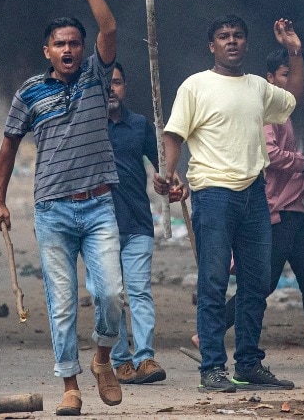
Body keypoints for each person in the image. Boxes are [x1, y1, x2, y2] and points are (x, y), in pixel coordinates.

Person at [0, 0, 124, 416]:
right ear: (46, 50)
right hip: (51, 210)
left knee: (111, 293)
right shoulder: (28, 93)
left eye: (74, 43)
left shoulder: (95, 75)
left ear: (83, 49)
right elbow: (8, 146)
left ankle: (103, 359)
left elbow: (108, 26)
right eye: (60, 44)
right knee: (62, 303)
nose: (68, 49)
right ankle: (70, 385)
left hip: (98, 204)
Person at [154, 15, 303, 394]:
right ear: (212, 46)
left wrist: (294, 51)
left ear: (246, 44)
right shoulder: (196, 85)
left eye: (238, 35)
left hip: (255, 194)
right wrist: (169, 174)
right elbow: (174, 134)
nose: (231, 42)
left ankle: (249, 364)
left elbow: (293, 99)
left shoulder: (257, 87)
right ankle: (213, 369)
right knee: (214, 283)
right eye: (223, 36)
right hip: (213, 195)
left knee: (256, 284)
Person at [209, 49, 304, 370]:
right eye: (284, 75)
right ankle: (207, 334)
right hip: (276, 211)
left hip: (292, 209)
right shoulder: (268, 113)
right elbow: (268, 153)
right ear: (269, 79)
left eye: (290, 76)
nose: (289, 82)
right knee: (264, 284)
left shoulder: (283, 113)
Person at [104, 63, 167, 385]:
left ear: (124, 87)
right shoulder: (87, 128)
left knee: (139, 291)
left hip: (138, 223)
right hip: (98, 228)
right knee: (111, 295)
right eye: (104, 83)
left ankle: (145, 358)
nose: (110, 88)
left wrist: (169, 181)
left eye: (115, 82)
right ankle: (119, 360)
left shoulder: (140, 125)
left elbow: (164, 165)